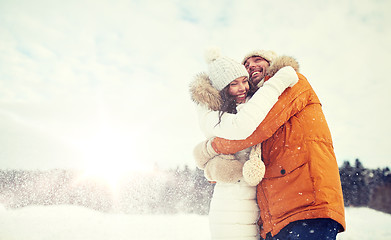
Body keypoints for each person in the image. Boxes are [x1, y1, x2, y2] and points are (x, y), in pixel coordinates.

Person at [196, 49, 346, 240]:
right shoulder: (256, 103)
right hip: (277, 215)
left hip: (307, 205)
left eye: (257, 60)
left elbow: (255, 130)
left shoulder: (291, 82)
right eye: (246, 66)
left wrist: (208, 150)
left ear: (272, 62)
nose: (251, 66)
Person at [190, 48, 299, 240]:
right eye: (234, 84)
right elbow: (243, 127)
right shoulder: (210, 114)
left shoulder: (245, 104)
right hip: (229, 207)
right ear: (223, 89)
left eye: (244, 81)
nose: (243, 88)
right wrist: (277, 83)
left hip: (257, 207)